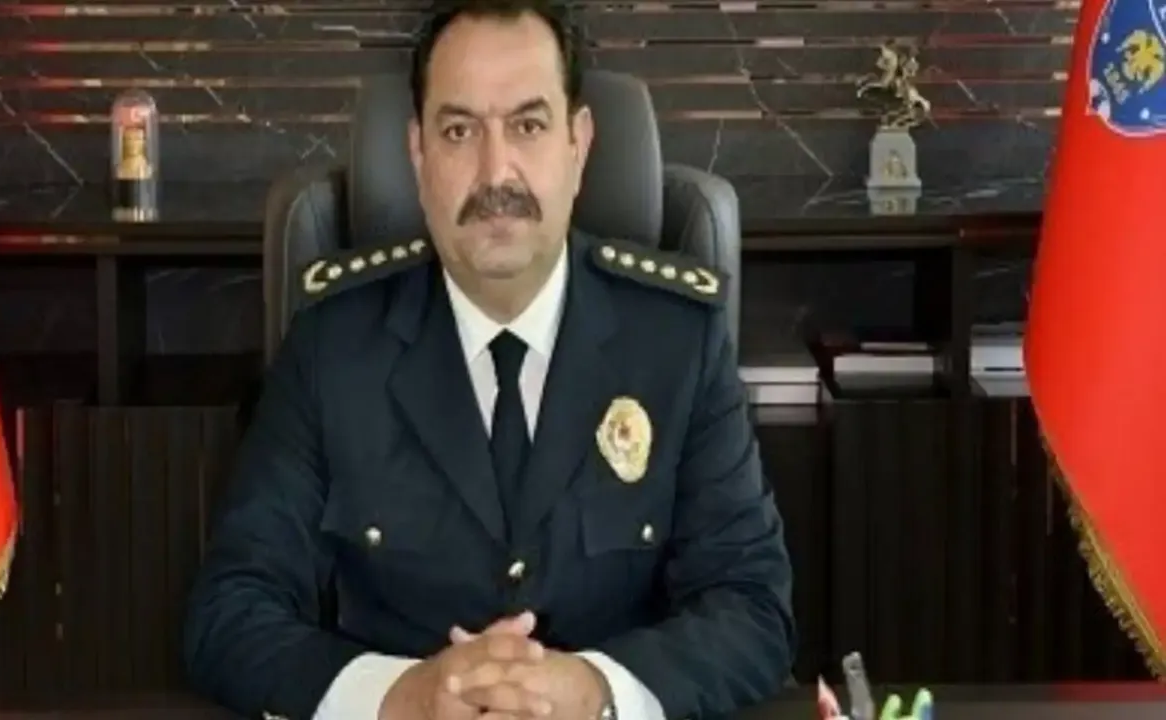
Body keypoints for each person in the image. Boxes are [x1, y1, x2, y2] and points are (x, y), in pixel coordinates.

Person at [181, 2, 796, 719]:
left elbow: (752, 607)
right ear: (418, 155)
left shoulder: (677, 344)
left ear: (579, 144)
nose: (495, 170)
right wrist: (399, 696)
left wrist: (592, 689)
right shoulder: (332, 349)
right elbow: (230, 612)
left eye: (528, 126)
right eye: (459, 130)